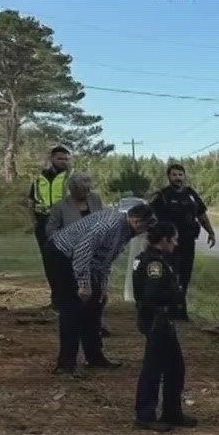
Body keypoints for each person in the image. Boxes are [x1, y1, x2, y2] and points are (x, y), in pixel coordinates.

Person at [48, 203, 152, 374]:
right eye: (145, 226)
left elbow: (104, 260)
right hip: (62, 255)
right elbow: (82, 252)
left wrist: (101, 287)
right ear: (136, 220)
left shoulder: (125, 231)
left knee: (95, 304)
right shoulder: (108, 226)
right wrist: (83, 284)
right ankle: (65, 365)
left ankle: (95, 357)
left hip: (85, 261)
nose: (144, 232)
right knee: (71, 308)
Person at [131, 223, 196, 432]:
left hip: (161, 321)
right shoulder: (154, 264)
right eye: (174, 239)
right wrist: (174, 297)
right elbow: (151, 295)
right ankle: (145, 414)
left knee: (175, 368)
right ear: (164, 239)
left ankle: (172, 411)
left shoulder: (152, 259)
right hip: (157, 320)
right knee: (153, 369)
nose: (176, 243)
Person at [147, 163, 216, 320]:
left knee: (185, 276)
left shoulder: (190, 194)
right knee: (171, 275)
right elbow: (151, 218)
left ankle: (180, 309)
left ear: (184, 176)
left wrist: (210, 232)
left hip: (188, 242)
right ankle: (166, 310)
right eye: (174, 175)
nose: (178, 178)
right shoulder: (162, 196)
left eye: (180, 175)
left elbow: (201, 214)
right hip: (169, 244)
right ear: (169, 177)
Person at [45, 170, 109, 339]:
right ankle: (76, 326)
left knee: (98, 293)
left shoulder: (95, 200)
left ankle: (97, 326)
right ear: (72, 189)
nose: (87, 192)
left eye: (89, 188)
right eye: (83, 189)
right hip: (69, 255)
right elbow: (51, 231)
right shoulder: (60, 207)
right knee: (75, 295)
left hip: (94, 253)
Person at [27, 146, 72, 290]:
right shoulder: (39, 179)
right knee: (49, 261)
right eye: (60, 158)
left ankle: (70, 296)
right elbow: (31, 201)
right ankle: (56, 297)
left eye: (66, 159)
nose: (63, 162)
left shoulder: (71, 178)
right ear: (52, 158)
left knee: (66, 260)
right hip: (43, 223)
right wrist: (33, 221)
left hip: (65, 224)